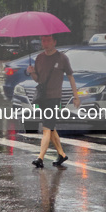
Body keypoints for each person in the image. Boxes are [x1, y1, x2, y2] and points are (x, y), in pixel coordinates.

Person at [26, 34, 80, 168]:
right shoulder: (39, 58)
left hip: (55, 98)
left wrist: (76, 96)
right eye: (43, 40)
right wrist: (31, 73)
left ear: (54, 42)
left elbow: (71, 77)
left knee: (46, 128)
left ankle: (40, 158)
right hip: (42, 97)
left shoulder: (62, 58)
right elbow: (38, 80)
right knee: (50, 127)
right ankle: (61, 154)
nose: (45, 43)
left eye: (48, 40)